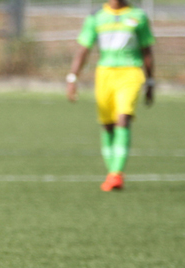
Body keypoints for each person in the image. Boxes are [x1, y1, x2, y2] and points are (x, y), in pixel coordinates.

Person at [67, 0, 155, 192]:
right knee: (107, 125)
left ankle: (116, 174)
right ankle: (112, 172)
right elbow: (84, 48)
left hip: (131, 72)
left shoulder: (138, 16)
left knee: (123, 118)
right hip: (105, 73)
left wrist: (150, 81)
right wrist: (72, 78)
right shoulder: (96, 16)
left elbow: (146, 49)